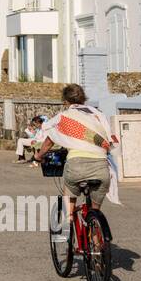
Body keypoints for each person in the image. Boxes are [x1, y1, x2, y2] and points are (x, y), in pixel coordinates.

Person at [34, 84, 118, 213]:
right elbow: (110, 138)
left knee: (69, 193)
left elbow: (49, 140)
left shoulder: (64, 117)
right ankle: (95, 227)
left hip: (76, 166)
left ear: (65, 102)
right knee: (95, 211)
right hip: (102, 168)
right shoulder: (98, 115)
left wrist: (38, 156)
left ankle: (69, 219)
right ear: (84, 99)